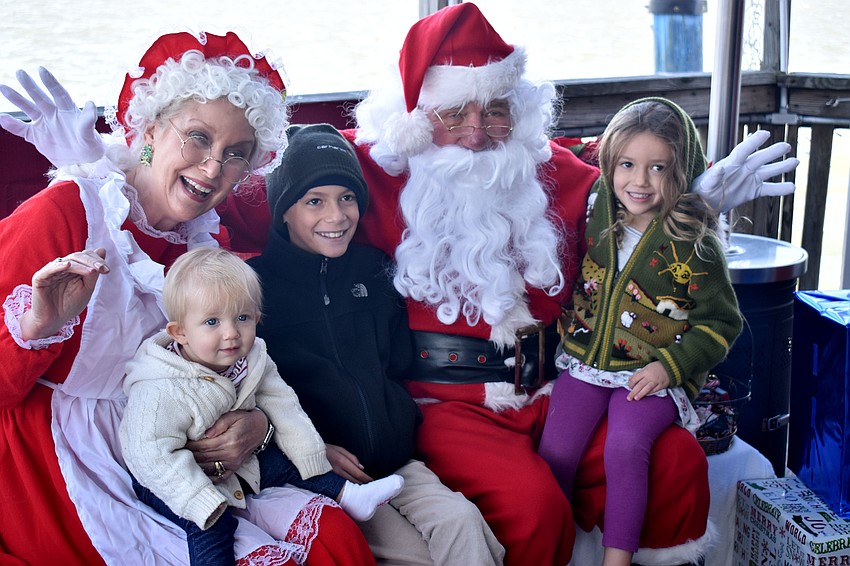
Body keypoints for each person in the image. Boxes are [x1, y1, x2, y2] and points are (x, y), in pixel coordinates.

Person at [0, 4, 798, 565]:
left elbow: (629, 194)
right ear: (419, 116)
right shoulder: (370, 175)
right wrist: (108, 161)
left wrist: (689, 205)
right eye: (456, 113)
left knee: (678, 468)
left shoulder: (557, 174)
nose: (478, 131)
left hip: (564, 383)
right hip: (438, 399)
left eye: (495, 111)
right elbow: (241, 197)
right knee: (530, 509)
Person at [0, 31, 374, 565]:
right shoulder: (63, 214)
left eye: (235, 154)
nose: (211, 168)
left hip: (184, 439)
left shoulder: (209, 243)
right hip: (61, 458)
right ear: (151, 129)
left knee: (335, 538)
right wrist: (35, 328)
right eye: (197, 137)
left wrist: (262, 428)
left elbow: (232, 363)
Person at [247, 122, 505, 566]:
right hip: (325, 474)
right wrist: (309, 447)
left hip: (396, 460)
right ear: (284, 211)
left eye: (347, 198)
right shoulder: (256, 288)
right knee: (420, 557)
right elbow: (243, 392)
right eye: (315, 202)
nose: (336, 216)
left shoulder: (373, 269)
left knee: (463, 523)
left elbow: (397, 359)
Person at [537, 97, 744, 566]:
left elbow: (721, 323)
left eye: (658, 168)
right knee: (558, 448)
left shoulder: (695, 245)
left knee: (627, 447)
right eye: (627, 164)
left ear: (682, 171)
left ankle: (617, 559)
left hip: (650, 374)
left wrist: (670, 368)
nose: (640, 181)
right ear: (610, 164)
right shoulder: (596, 220)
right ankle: (560, 547)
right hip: (587, 362)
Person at [122, 246, 405, 565]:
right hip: (172, 480)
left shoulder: (252, 356)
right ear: (180, 333)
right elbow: (149, 456)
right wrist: (202, 500)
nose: (231, 333)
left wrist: (308, 453)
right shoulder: (160, 386)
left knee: (286, 460)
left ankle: (349, 495)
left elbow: (283, 404)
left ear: (257, 318)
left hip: (241, 461)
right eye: (212, 321)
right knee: (212, 527)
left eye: (242, 317)